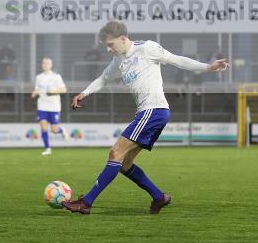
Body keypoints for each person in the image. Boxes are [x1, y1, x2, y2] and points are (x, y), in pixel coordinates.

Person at [61, 20, 228, 215]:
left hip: (154, 110)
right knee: (124, 164)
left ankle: (86, 203)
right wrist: (84, 93)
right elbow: (103, 79)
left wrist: (208, 67)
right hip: (149, 113)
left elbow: (177, 60)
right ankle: (159, 197)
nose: (108, 50)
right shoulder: (118, 60)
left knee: (115, 153)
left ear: (123, 39)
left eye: (110, 44)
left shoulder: (147, 48)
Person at [31, 57, 69, 155]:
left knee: (54, 130)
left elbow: (64, 90)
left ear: (51, 65)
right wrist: (34, 93)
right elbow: (37, 89)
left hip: (54, 107)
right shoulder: (39, 77)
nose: (45, 65)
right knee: (43, 127)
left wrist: (53, 91)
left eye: (48, 63)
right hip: (42, 106)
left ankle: (62, 130)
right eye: (44, 63)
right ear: (42, 65)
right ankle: (48, 149)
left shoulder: (56, 77)